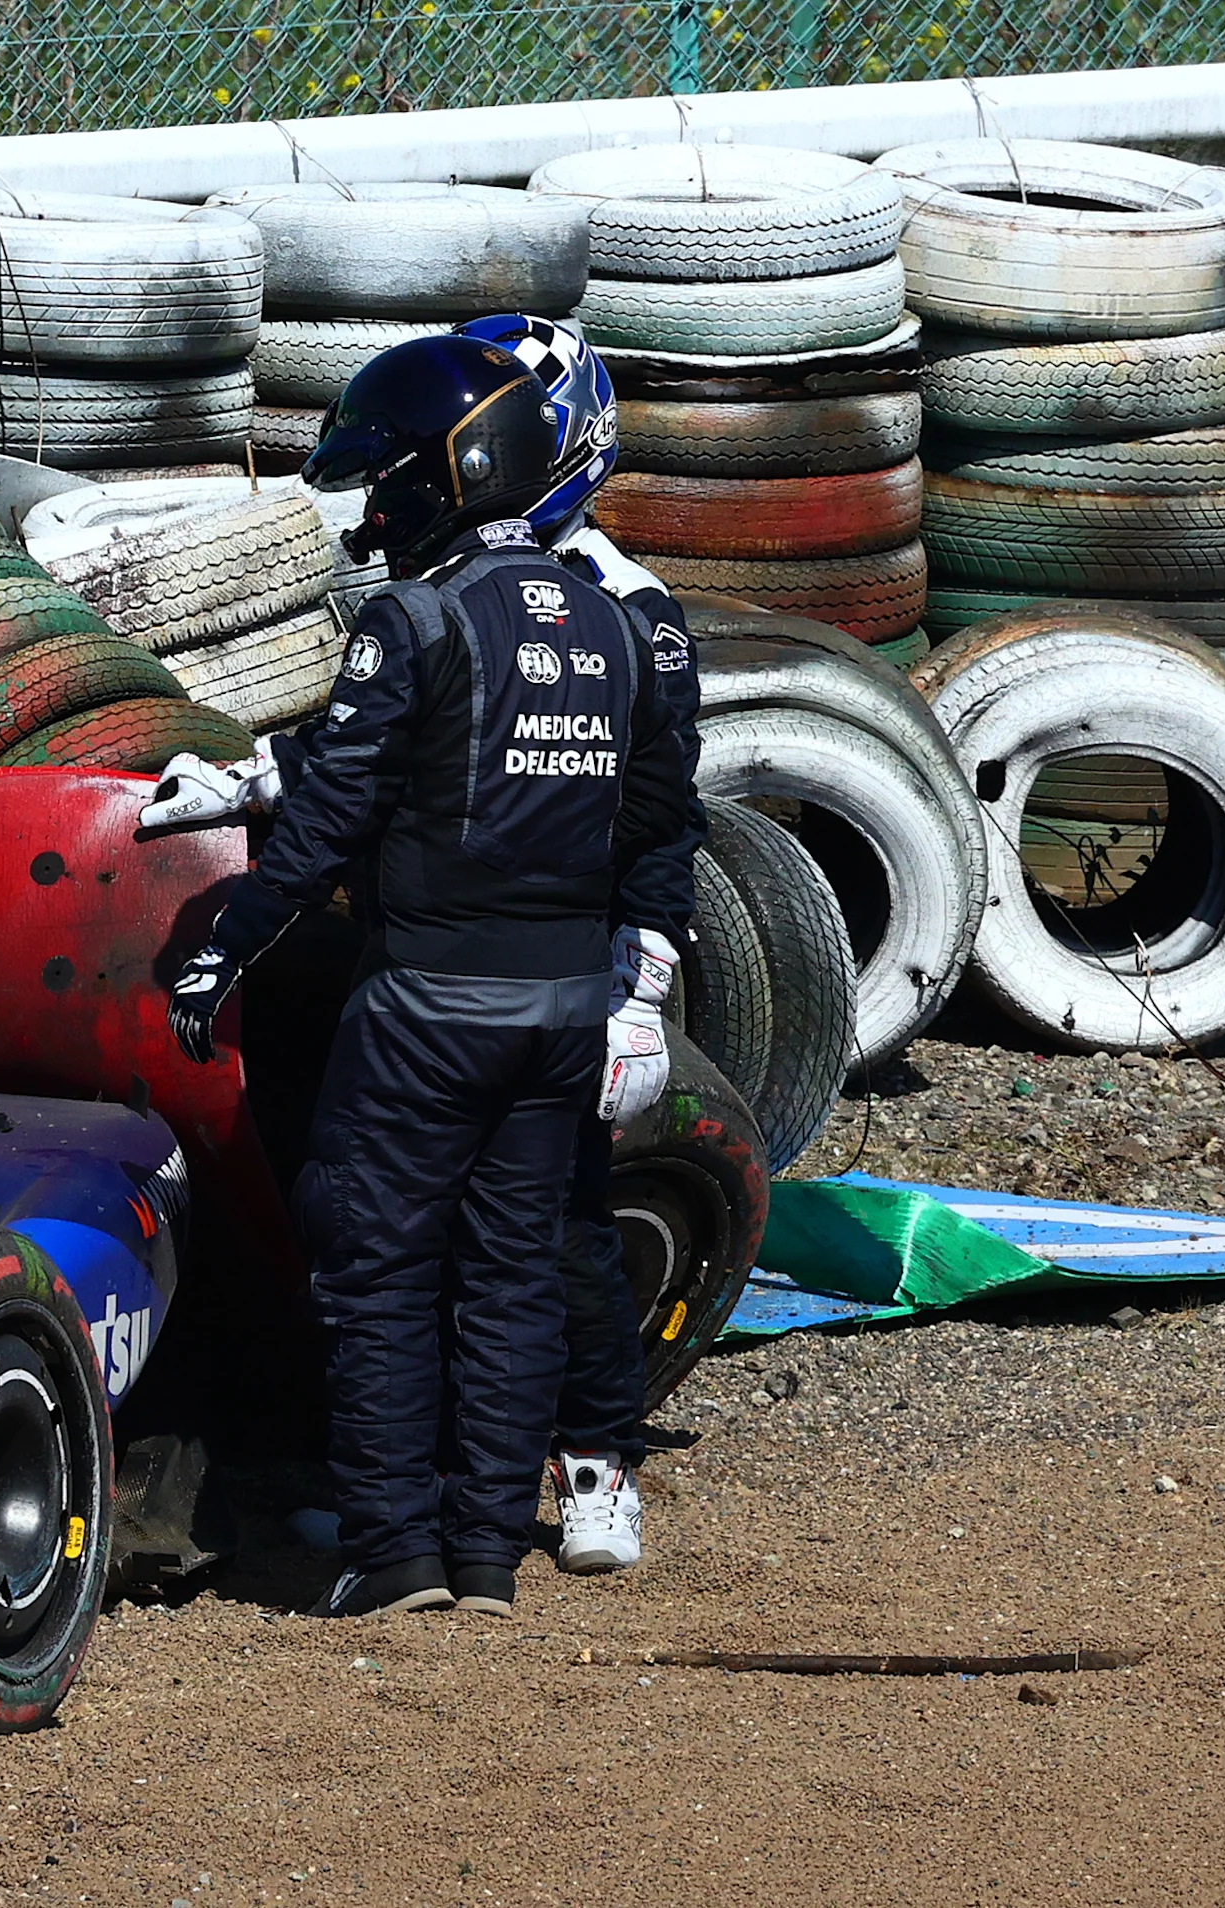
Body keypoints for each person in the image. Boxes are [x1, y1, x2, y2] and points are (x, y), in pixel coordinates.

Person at [150, 333, 698, 1620]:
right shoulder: (624, 628)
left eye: (385, 478)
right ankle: (484, 1556)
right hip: (558, 1005)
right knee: (513, 1272)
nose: (370, 504)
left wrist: (226, 943)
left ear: (452, 472)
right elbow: (653, 816)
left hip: (426, 1011)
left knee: (379, 1265)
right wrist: (623, 976)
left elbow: (341, 808)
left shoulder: (418, 615)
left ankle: (395, 1553)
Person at [458, 312, 704, 1577]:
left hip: (579, 963)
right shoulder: (434, 578)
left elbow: (661, 821)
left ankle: (601, 1467)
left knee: (559, 1225)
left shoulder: (631, 612)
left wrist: (639, 993)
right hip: (445, 956)